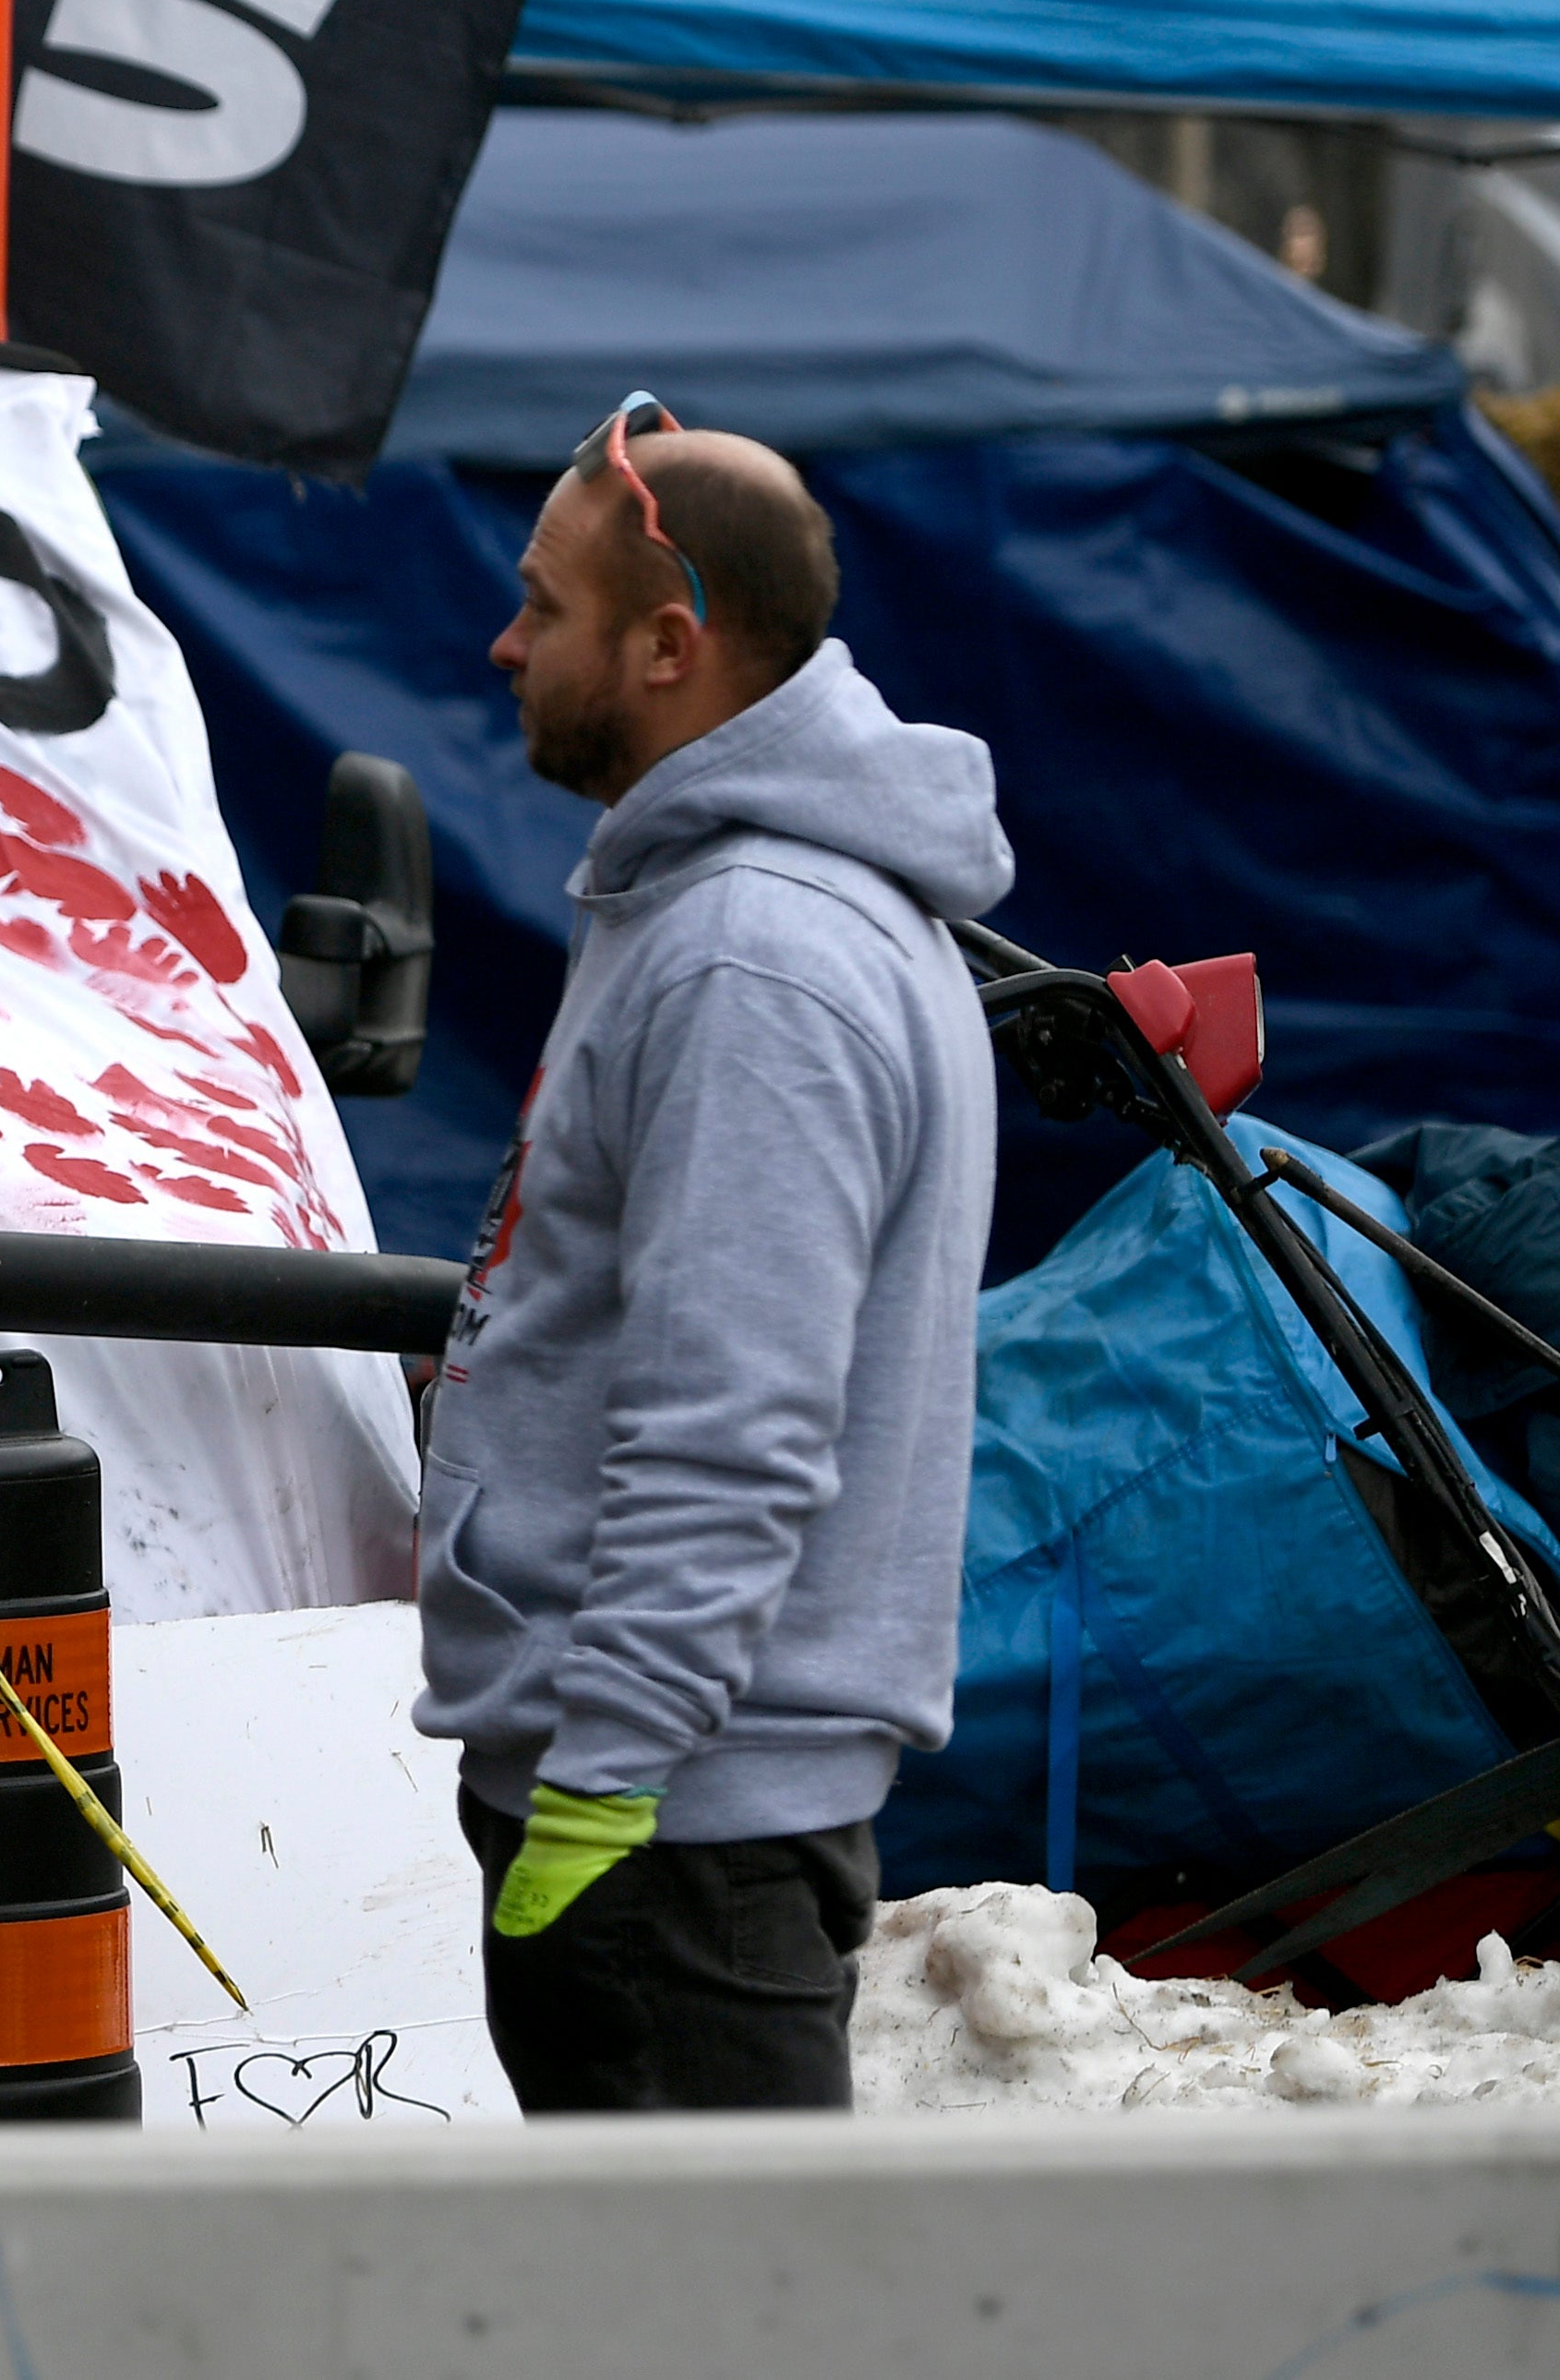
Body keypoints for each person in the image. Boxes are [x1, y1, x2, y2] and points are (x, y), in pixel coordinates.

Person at [416, 396, 1010, 2113]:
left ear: (670, 644)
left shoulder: (752, 960)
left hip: (671, 1831)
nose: (503, 639)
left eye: (546, 605)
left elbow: (732, 1425)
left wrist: (602, 1783)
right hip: (683, 1809)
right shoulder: (726, 913)